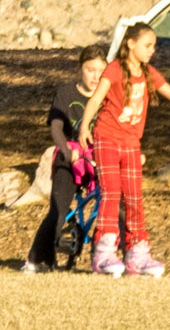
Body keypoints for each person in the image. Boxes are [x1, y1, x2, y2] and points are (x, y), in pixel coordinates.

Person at [77, 22, 170, 278]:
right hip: (107, 138)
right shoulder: (114, 69)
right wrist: (83, 128)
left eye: (154, 46)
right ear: (131, 44)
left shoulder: (148, 73)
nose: (152, 50)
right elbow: (96, 98)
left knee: (134, 197)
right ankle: (103, 253)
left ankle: (137, 254)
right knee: (112, 192)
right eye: (147, 45)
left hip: (131, 142)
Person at [22, 45, 107, 274]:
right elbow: (56, 128)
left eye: (101, 71)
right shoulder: (66, 93)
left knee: (117, 205)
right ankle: (39, 259)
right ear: (80, 69)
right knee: (59, 208)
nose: (95, 76)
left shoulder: (108, 97)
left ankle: (121, 257)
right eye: (90, 70)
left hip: (99, 158)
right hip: (70, 158)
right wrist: (66, 149)